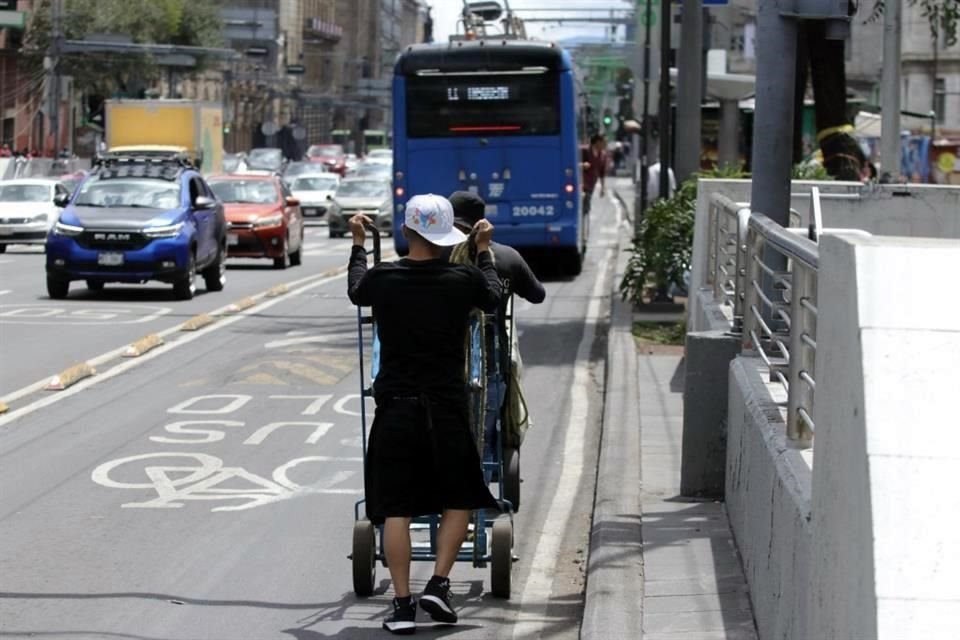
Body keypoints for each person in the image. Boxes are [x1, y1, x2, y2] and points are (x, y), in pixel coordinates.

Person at [347, 194, 502, 635]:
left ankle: (401, 605)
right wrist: (484, 250)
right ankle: (438, 583)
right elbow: (492, 296)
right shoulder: (462, 279)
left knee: (396, 508)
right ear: (447, 236)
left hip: (395, 408)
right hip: (445, 407)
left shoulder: (383, 278)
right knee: (460, 497)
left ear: (406, 231)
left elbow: (356, 289)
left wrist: (358, 243)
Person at [446, 191, 546, 481]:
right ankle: (480, 479)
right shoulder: (506, 257)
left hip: (445, 366)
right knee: (484, 430)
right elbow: (537, 294)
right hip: (491, 364)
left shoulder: (437, 256)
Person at [581, 133, 607, 215]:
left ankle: (584, 219)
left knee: (586, 204)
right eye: (604, 142)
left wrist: (603, 188)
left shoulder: (603, 155)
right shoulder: (584, 150)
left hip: (591, 183)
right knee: (585, 203)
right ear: (598, 142)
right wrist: (581, 165)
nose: (605, 145)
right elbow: (571, 163)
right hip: (580, 182)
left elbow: (602, 173)